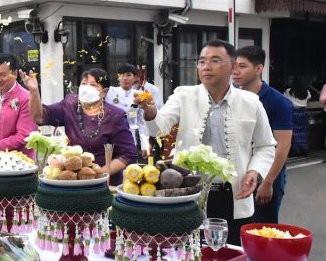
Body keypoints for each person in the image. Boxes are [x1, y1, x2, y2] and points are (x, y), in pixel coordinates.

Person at [137, 40, 276, 245]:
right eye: (202, 61)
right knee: (188, 252)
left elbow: (266, 145)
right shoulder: (184, 95)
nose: (206, 67)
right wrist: (150, 111)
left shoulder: (250, 102)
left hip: (234, 195)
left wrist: (255, 172)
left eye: (215, 60)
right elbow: (160, 128)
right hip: (190, 194)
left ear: (232, 66)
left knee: (231, 253)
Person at [22, 67, 138, 185]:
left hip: (104, 183)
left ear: (104, 92)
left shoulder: (115, 116)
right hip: (72, 180)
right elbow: (39, 117)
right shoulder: (70, 104)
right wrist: (34, 91)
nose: (87, 88)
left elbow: (128, 154)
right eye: (84, 84)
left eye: (93, 85)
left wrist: (99, 174)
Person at [232, 46, 293, 224]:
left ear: (258, 68)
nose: (235, 71)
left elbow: (283, 145)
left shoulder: (278, 102)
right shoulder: (231, 97)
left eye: (242, 66)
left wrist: (268, 182)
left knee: (262, 229)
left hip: (265, 175)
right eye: (234, 66)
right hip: (238, 175)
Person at [105, 63, 150, 158]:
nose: (125, 78)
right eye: (121, 75)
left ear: (135, 78)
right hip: (110, 138)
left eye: (128, 75)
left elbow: (142, 122)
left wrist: (145, 145)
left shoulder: (140, 95)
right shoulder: (109, 92)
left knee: (131, 165)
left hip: (130, 138)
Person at [284, 77, 311, 156]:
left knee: (293, 132)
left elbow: (284, 101)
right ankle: (303, 149)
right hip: (303, 113)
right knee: (303, 131)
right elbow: (307, 103)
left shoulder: (288, 91)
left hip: (292, 112)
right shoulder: (307, 92)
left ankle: (294, 150)